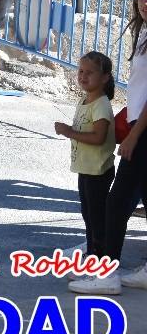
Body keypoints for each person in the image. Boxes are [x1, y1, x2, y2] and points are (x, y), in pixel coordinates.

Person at [70, 0, 147, 295]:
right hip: (137, 125)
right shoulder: (143, 31)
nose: (145, 4)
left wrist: (132, 135)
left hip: (144, 132)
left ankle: (107, 274)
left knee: (116, 204)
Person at [53, 52, 117, 267]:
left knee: (97, 218)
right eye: (81, 71)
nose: (83, 76)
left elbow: (98, 138)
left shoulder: (101, 104)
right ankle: (92, 253)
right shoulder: (85, 99)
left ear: (105, 77)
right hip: (86, 168)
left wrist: (69, 132)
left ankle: (100, 260)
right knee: (88, 215)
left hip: (98, 171)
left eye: (90, 72)